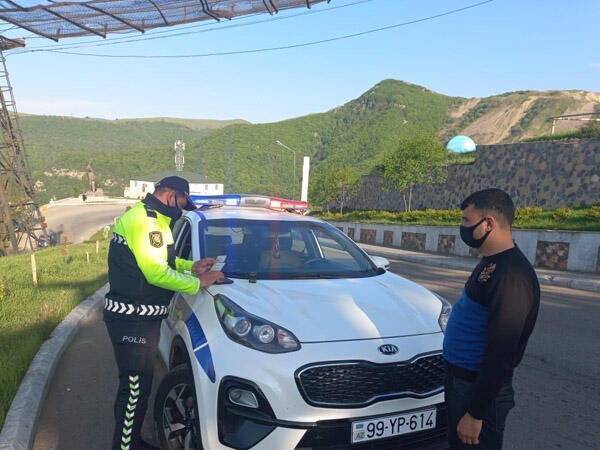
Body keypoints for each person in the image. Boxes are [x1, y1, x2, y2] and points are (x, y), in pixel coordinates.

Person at [103, 175, 224, 450]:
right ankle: (125, 447)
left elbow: (162, 259)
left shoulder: (154, 219)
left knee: (138, 388)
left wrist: (190, 266)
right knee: (134, 390)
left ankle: (131, 441)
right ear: (171, 195)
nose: (182, 209)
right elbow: (156, 272)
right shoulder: (146, 222)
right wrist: (198, 282)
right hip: (131, 319)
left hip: (139, 318)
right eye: (182, 202)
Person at [443, 188, 540, 449]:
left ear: (488, 223)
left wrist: (476, 413)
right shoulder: (491, 262)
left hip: (477, 392)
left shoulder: (512, 276)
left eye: (466, 220)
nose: (462, 227)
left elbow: (502, 351)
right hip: (462, 382)